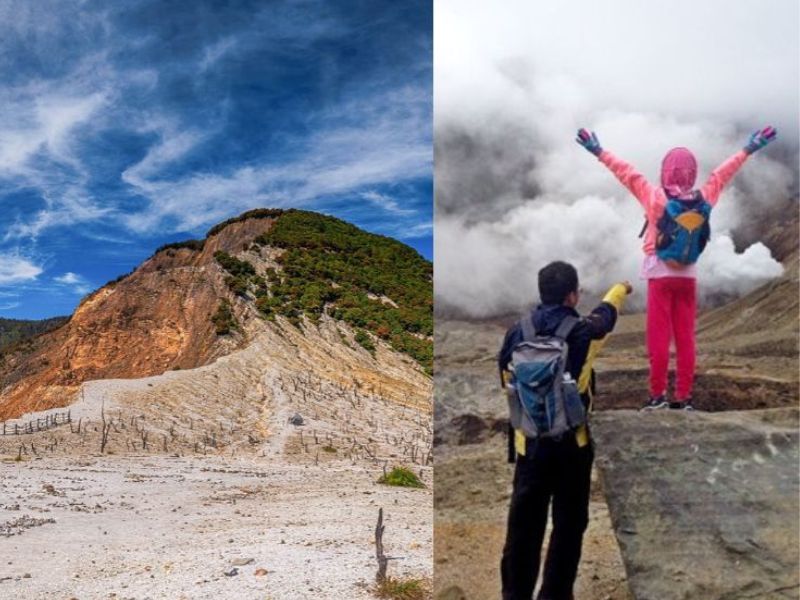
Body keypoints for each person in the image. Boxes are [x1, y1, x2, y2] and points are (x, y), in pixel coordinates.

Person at [575, 126, 777, 410]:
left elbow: (627, 174)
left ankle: (657, 396)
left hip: (660, 274)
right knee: (685, 339)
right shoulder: (703, 198)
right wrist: (749, 149)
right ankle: (683, 398)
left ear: (665, 171)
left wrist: (598, 151)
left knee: (659, 338)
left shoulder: (655, 197)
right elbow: (723, 174)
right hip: (688, 276)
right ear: (691, 173)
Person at [498, 260, 630, 600]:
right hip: (573, 447)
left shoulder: (517, 333)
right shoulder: (583, 331)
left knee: (524, 528)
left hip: (530, 448)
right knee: (569, 527)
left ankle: (515, 594)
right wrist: (620, 289)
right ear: (572, 295)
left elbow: (506, 380)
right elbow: (607, 315)